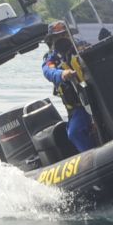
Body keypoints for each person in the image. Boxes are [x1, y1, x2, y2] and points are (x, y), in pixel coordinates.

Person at [41, 22, 96, 152]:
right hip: (80, 107)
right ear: (52, 41)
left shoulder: (82, 47)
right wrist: (62, 74)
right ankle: (91, 157)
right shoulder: (50, 60)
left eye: (65, 34)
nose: (63, 38)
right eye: (58, 37)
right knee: (74, 132)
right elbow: (49, 72)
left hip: (99, 96)